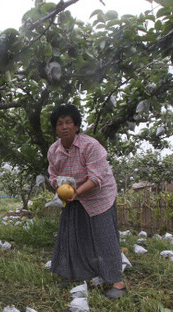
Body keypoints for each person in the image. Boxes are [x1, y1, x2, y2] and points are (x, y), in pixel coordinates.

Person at [47, 104, 127, 299]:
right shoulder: (54, 150)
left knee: (103, 236)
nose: (64, 127)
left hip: (99, 194)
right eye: (59, 123)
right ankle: (75, 275)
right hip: (73, 194)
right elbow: (53, 174)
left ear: (76, 126)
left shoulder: (90, 145)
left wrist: (77, 192)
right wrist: (60, 186)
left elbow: (97, 177)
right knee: (71, 235)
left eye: (68, 122)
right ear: (55, 128)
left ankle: (117, 282)